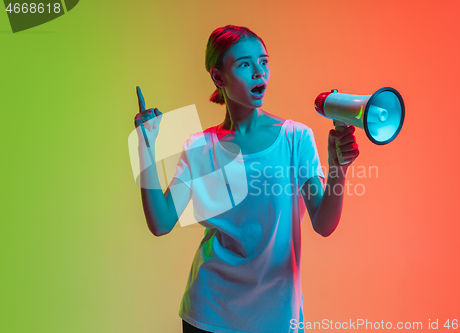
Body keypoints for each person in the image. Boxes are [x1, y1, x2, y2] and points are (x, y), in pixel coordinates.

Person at [134, 25, 359, 333]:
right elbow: (161, 223)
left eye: (263, 62)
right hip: (209, 314)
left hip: (277, 318)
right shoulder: (200, 147)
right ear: (218, 78)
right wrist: (144, 148)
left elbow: (324, 224)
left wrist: (338, 168)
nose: (258, 72)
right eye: (244, 64)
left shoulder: (296, 137)